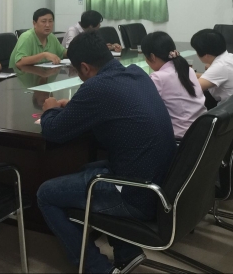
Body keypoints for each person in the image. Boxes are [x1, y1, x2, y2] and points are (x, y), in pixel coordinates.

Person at [37, 31, 176, 274]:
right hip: (161, 183)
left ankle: (97, 269)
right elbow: (112, 106)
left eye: (78, 72)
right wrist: (78, 108)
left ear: (84, 67)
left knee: (46, 194)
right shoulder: (136, 73)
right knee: (86, 169)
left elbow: (53, 131)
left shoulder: (97, 87)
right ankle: (127, 252)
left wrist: (49, 109)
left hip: (137, 196)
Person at [142, 31, 206, 139]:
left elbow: (144, 108)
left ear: (152, 57)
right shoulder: (188, 70)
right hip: (202, 131)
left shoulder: (158, 77)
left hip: (180, 138)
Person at [190, 29, 233, 104]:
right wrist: (193, 75)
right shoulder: (231, 57)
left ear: (206, 55)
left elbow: (192, 89)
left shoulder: (221, 66)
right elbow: (211, 77)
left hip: (230, 109)